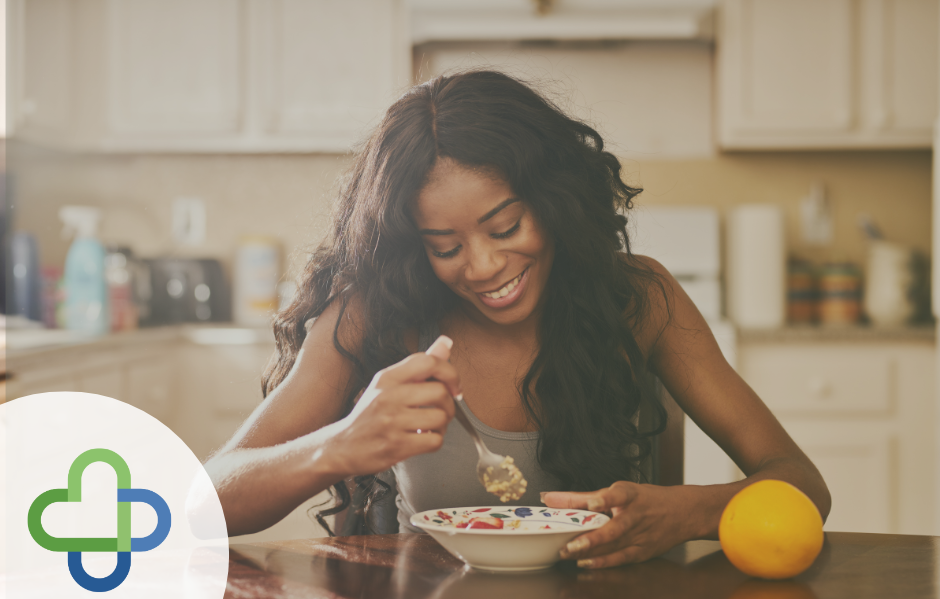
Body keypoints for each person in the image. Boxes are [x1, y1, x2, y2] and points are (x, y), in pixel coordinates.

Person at [200, 70, 830, 569]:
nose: (482, 266)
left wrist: (691, 514)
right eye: (445, 247)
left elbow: (802, 484)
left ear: (554, 201)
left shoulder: (640, 299)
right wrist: (337, 446)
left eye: (505, 227)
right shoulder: (376, 314)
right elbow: (204, 498)